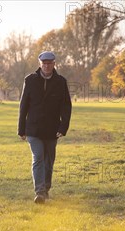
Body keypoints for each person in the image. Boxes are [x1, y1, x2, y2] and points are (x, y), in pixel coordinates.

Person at [18, 51, 72, 204]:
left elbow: (66, 106)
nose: (47, 66)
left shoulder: (61, 82)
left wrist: (63, 127)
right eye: (44, 63)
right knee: (38, 158)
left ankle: (46, 188)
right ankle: (40, 191)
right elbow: (23, 106)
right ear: (40, 64)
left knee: (49, 161)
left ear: (54, 64)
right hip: (33, 129)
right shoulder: (30, 80)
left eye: (50, 63)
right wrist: (21, 129)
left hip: (52, 129)